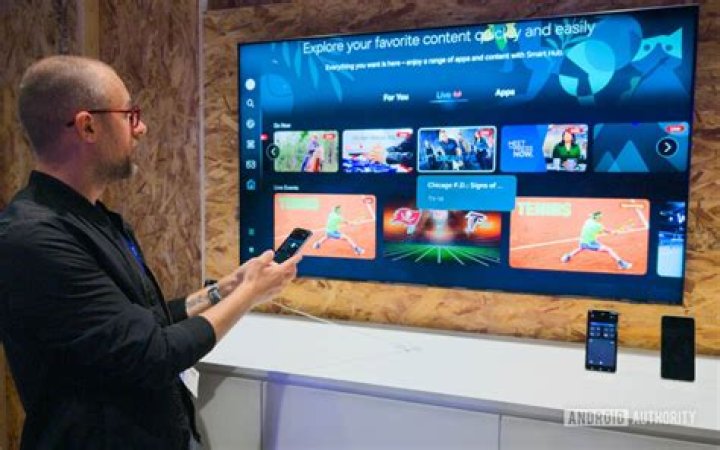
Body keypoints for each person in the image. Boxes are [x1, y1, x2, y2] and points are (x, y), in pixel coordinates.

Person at [0, 55, 301, 449]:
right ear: (87, 126)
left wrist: (223, 291)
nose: (140, 128)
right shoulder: (33, 239)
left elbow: (141, 324)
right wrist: (249, 294)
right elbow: (152, 353)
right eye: (130, 115)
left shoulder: (95, 219)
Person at [561, 211, 632, 270]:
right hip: (590, 244)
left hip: (582, 241)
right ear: (597, 218)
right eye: (600, 217)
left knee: (581, 248)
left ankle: (567, 257)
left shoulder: (588, 221)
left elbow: (591, 216)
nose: (601, 218)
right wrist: (615, 232)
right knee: (609, 249)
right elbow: (607, 231)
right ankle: (621, 264)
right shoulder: (598, 226)